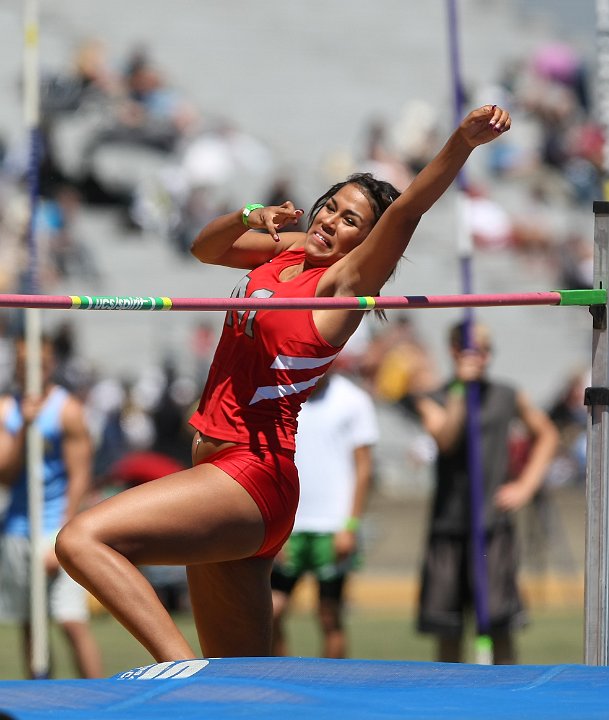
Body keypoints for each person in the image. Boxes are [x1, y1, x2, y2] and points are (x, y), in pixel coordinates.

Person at [56, 104, 512, 662]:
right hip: (221, 477)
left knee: (81, 539)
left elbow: (408, 212)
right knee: (239, 684)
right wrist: (249, 214)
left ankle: (177, 674)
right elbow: (206, 249)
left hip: (250, 476)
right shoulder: (289, 251)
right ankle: (200, 685)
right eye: (331, 207)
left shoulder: (342, 285)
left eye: (351, 221)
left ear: (366, 244)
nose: (330, 221)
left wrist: (461, 143)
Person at [413, 321, 559, 664]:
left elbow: (547, 434)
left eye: (487, 349)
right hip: (448, 526)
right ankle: (450, 702)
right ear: (454, 351)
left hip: (493, 526)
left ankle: (507, 699)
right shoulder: (433, 398)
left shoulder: (506, 394)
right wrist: (461, 390)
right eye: (475, 348)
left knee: (499, 624)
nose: (483, 356)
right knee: (447, 629)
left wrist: (525, 485)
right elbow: (447, 440)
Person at [0, 336, 103, 678]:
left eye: (38, 362)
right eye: (23, 362)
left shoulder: (67, 409)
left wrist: (61, 533)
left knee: (71, 621)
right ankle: (38, 702)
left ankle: (101, 701)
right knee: (32, 627)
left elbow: (80, 475)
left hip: (55, 525)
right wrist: (24, 427)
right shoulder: (6, 409)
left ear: (50, 364)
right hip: (16, 528)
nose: (30, 369)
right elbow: (5, 474)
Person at [270, 370, 378, 658]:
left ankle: (333, 689)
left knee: (329, 615)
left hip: (333, 526)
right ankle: (282, 680)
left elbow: (364, 467)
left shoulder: (354, 400)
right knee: (271, 612)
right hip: (290, 527)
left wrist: (350, 526)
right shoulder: (284, 395)